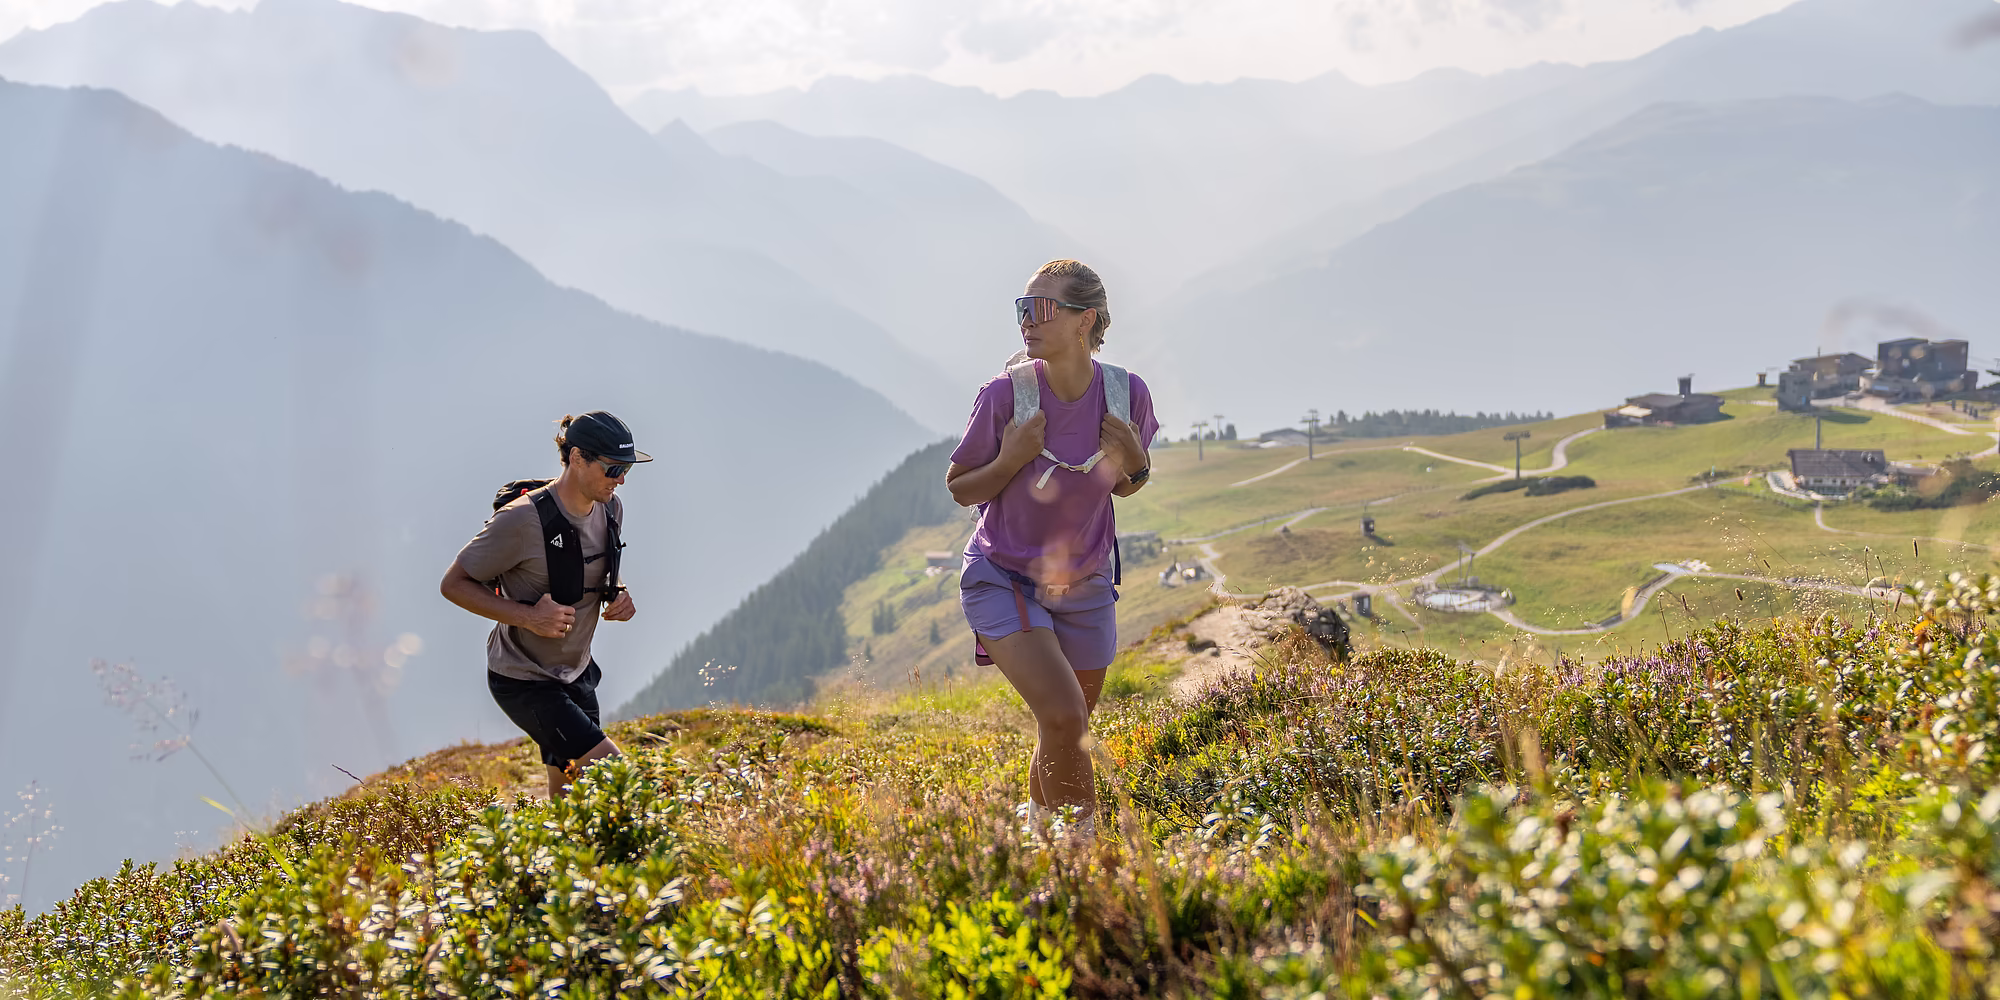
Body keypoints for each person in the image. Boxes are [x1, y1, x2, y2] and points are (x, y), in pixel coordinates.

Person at [946, 259, 1158, 838]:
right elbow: (960, 486)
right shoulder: (1004, 396)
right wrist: (1011, 458)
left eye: (1039, 310)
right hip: (1003, 576)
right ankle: (1082, 863)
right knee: (1065, 717)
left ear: (1084, 319)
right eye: (1022, 308)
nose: (1025, 322)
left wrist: (1137, 463)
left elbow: (1126, 485)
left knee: (1064, 727)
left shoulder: (1125, 393)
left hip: (1086, 586)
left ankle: (1040, 844)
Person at [440, 411, 649, 798]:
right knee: (614, 777)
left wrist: (618, 593)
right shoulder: (520, 521)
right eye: (613, 468)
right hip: (524, 679)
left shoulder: (610, 509)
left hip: (577, 673)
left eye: (627, 470)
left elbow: (591, 571)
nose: (621, 480)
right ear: (577, 458)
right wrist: (529, 618)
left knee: (570, 794)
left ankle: (563, 857)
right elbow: (453, 585)